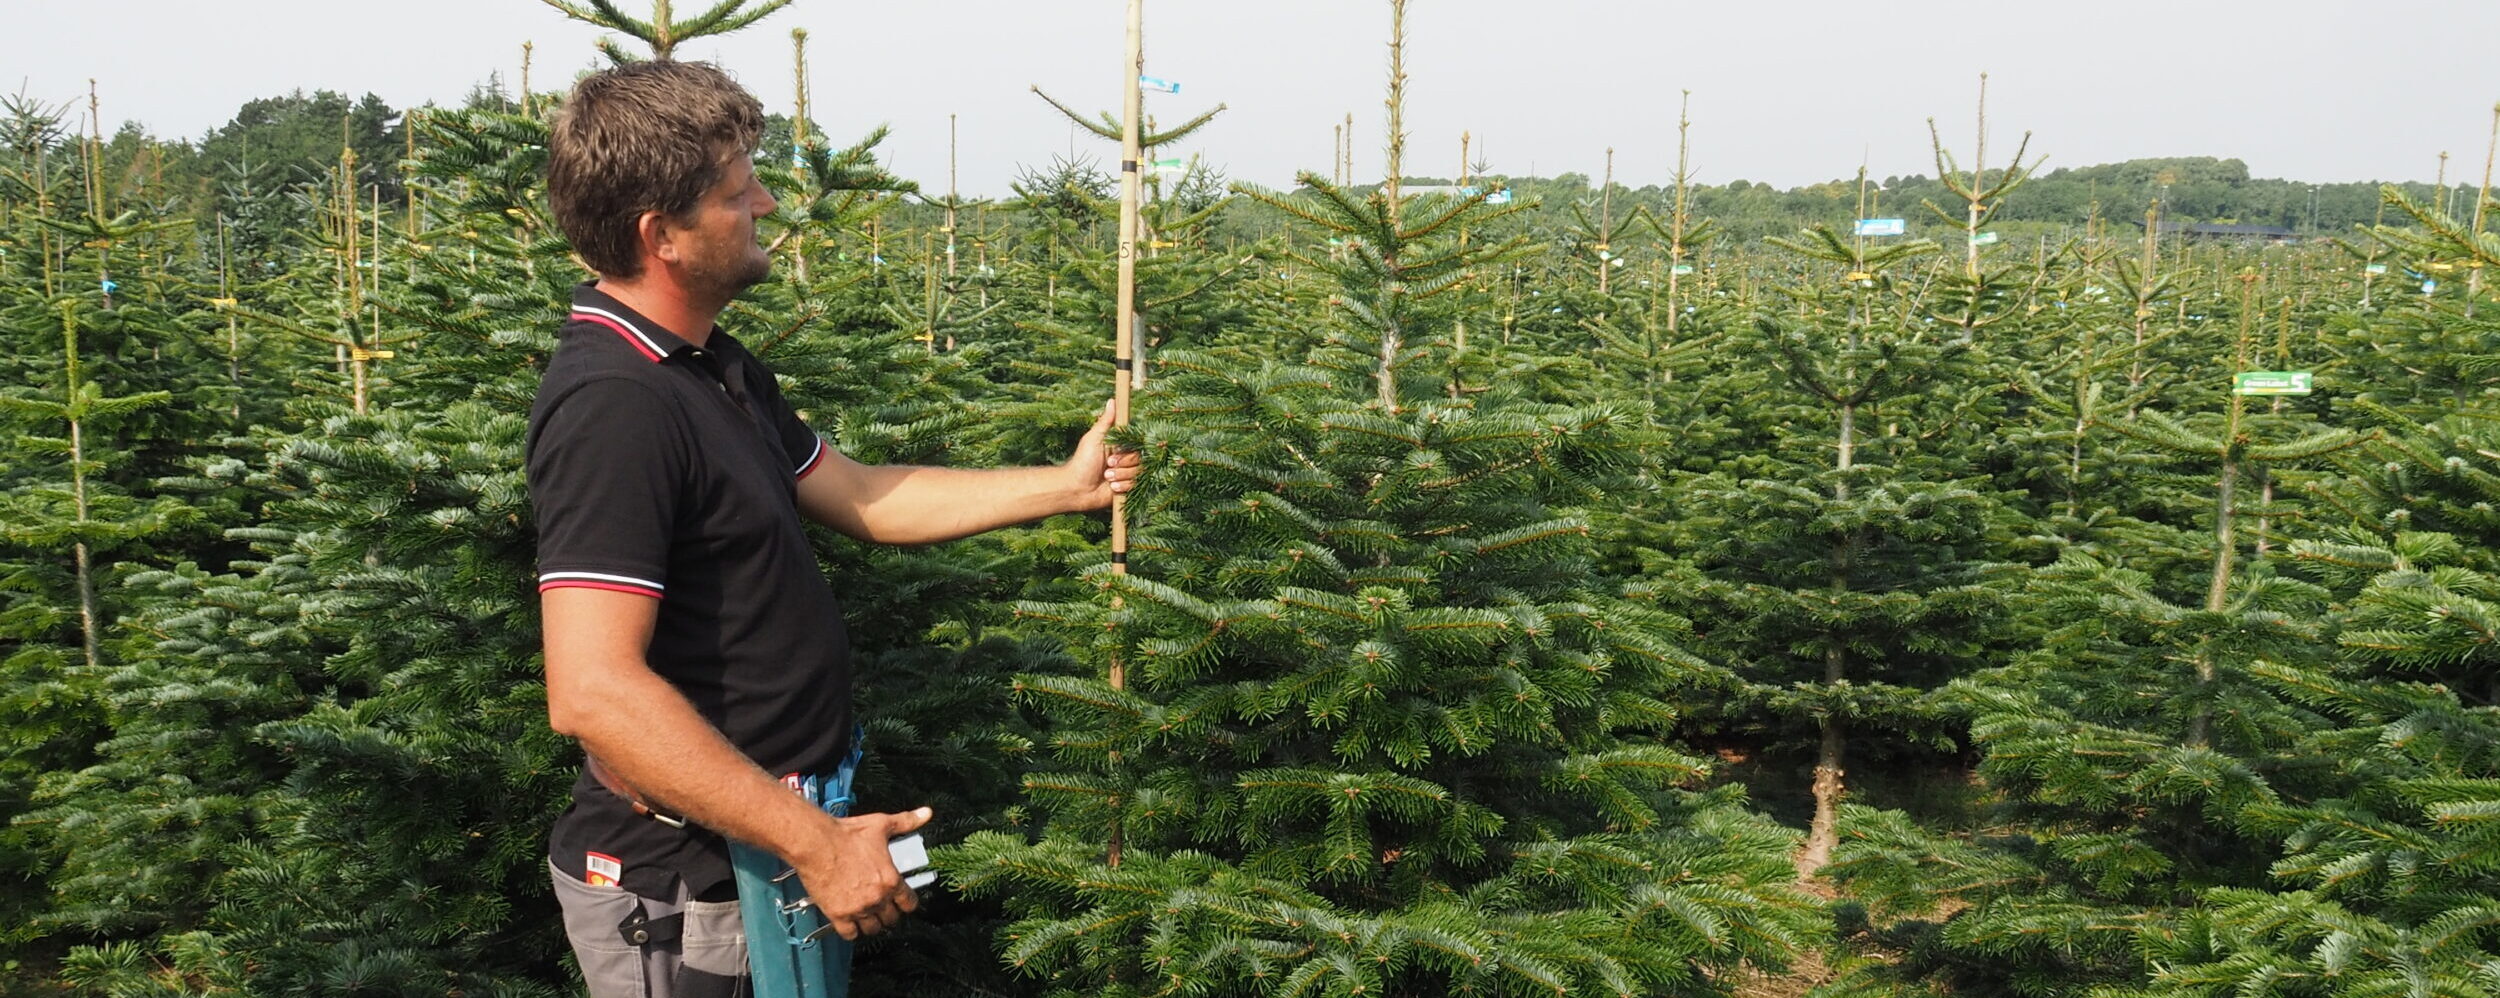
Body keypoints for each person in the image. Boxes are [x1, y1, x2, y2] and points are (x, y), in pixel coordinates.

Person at [529, 59, 1140, 997]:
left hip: (771, 846)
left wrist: (1062, 488)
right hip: (689, 888)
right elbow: (593, 691)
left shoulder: (709, 368)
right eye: (738, 193)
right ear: (664, 237)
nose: (766, 205)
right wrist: (816, 845)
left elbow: (857, 494)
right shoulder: (618, 404)